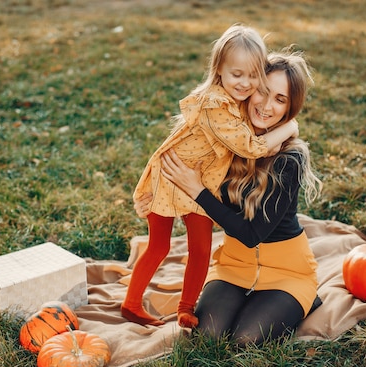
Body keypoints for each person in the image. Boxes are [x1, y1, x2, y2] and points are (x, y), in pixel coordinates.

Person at [122, 24, 300, 328]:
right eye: (237, 74)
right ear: (219, 70)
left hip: (200, 184)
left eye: (253, 75)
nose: (245, 84)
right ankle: (131, 304)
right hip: (170, 176)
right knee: (159, 245)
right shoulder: (215, 104)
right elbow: (250, 145)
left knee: (201, 248)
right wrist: (290, 128)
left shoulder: (239, 101)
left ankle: (186, 308)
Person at [154, 49, 323, 346]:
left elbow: (251, 234)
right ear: (248, 90)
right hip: (233, 266)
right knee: (209, 336)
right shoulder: (224, 143)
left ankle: (305, 299)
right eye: (263, 92)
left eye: (280, 100)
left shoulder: (289, 159)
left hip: (287, 272)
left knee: (246, 340)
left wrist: (198, 191)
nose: (267, 106)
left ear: (289, 110)